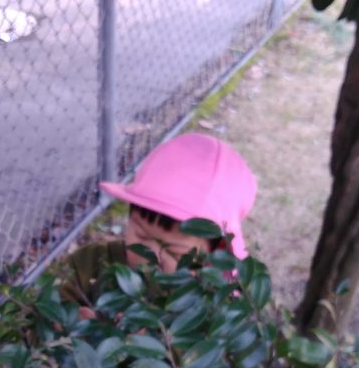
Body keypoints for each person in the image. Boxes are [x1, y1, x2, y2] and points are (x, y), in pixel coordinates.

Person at [61, 132, 257, 308]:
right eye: (141, 235)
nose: (150, 257)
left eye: (174, 252)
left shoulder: (216, 306)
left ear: (217, 251)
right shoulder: (89, 265)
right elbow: (41, 316)